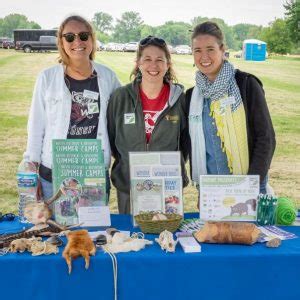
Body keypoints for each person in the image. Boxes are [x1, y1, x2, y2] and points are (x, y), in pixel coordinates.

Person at [25, 15, 121, 200]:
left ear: (92, 39)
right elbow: (36, 126)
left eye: (83, 36)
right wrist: (31, 172)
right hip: (52, 172)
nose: (77, 41)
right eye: (69, 37)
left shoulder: (108, 77)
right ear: (61, 42)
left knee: (93, 228)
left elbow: (125, 112)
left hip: (94, 171)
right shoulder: (47, 78)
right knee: (53, 228)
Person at [186, 21, 276, 194]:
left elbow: (266, 139)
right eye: (198, 50)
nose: (204, 57)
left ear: (222, 49)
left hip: (250, 189)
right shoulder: (192, 97)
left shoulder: (246, 85)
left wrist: (250, 187)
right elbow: (190, 145)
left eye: (210, 49)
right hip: (211, 192)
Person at [107, 36, 189, 214]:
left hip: (167, 185)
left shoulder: (179, 99)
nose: (154, 65)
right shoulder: (120, 97)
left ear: (168, 64)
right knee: (131, 236)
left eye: (160, 59)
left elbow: (185, 142)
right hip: (129, 185)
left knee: (166, 237)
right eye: (147, 59)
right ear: (138, 63)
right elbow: (113, 139)